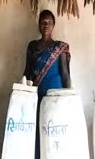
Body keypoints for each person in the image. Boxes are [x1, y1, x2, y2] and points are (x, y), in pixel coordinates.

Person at [23, 9, 71, 159]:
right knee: (37, 129)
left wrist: (69, 97)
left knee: (54, 129)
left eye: (49, 22)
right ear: (39, 25)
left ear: (54, 25)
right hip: (36, 95)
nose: (46, 25)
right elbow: (26, 71)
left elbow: (65, 74)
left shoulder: (60, 47)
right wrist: (22, 92)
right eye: (43, 22)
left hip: (54, 95)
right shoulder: (32, 46)